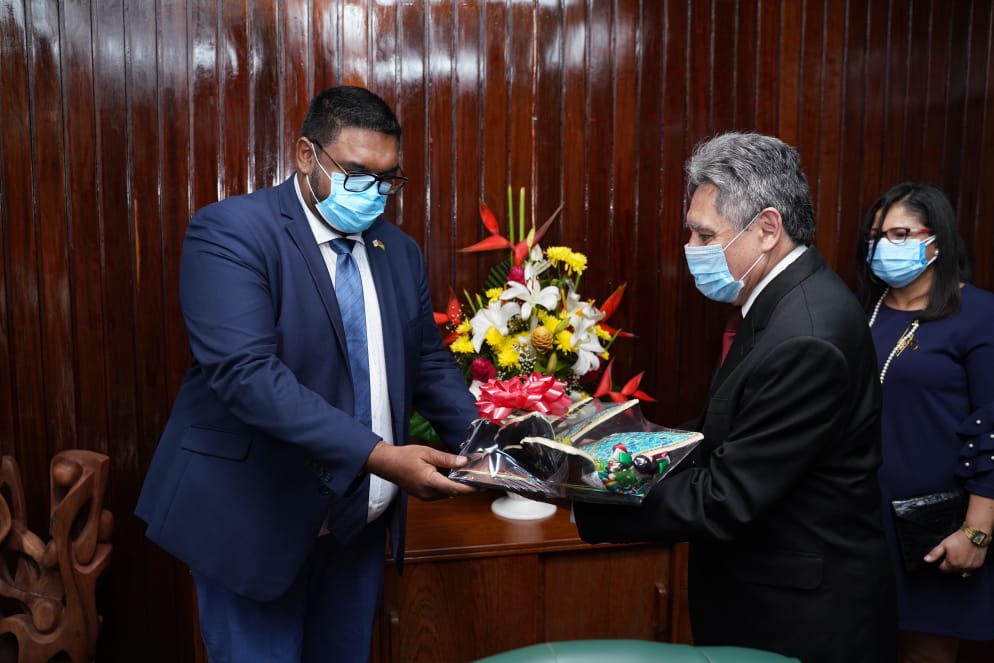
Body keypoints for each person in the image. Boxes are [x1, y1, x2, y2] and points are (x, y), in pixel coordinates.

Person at [135, 86, 478, 663]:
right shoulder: (231, 231)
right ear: (304, 154)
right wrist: (379, 455)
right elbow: (246, 374)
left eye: (388, 178)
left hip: (355, 527)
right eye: (356, 172)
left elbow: (428, 364)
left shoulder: (399, 250)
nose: (373, 192)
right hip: (254, 517)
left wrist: (489, 442)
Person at [572, 132, 897, 663]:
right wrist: (597, 455)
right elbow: (715, 436)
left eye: (704, 235)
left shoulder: (807, 335)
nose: (692, 251)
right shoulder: (781, 300)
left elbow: (724, 498)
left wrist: (581, 502)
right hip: (768, 595)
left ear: (768, 228)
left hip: (802, 619)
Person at [856, 182, 994, 663]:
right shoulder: (861, 313)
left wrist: (977, 530)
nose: (883, 247)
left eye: (899, 234)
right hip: (856, 520)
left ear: (937, 240)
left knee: (923, 653)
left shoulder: (978, 314)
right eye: (876, 237)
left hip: (935, 528)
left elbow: (992, 424)